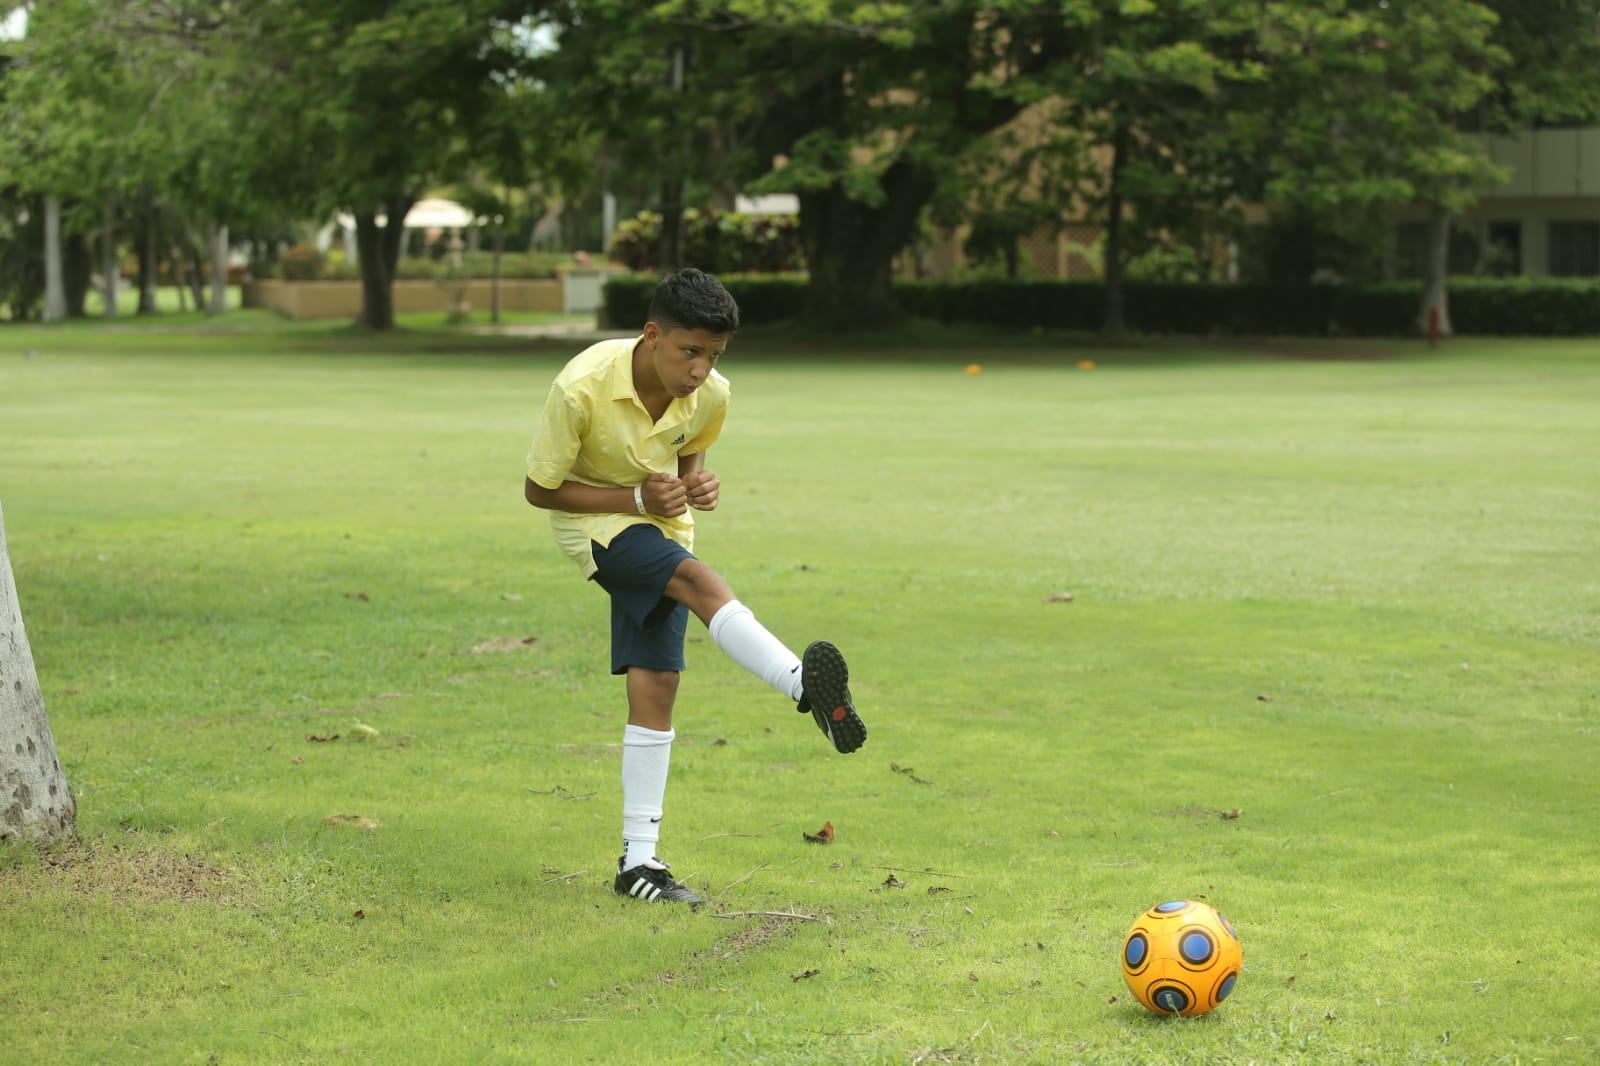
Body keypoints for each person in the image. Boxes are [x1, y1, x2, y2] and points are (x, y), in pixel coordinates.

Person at [523, 268, 867, 907]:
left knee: (657, 682)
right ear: (652, 335)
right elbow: (540, 490)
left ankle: (638, 863)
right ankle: (804, 688)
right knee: (696, 580)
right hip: (593, 525)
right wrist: (634, 498)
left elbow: (692, 450)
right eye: (690, 352)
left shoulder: (712, 392)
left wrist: (696, 481)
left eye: (714, 355)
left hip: (663, 524)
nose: (701, 369)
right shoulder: (580, 386)